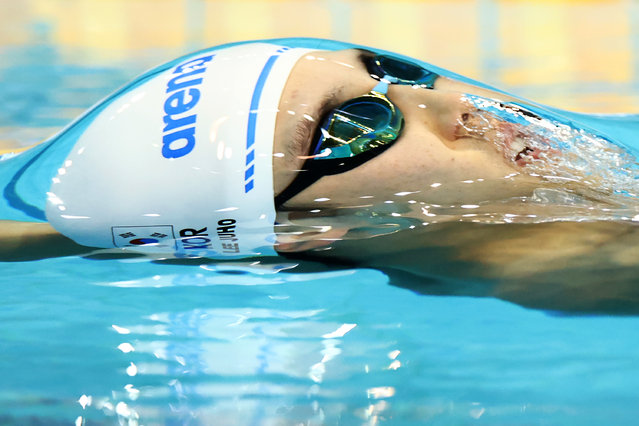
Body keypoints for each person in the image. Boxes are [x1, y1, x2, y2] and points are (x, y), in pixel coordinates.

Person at [2, 38, 639, 313]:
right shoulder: (598, 265)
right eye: (355, 126)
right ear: (306, 230)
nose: (451, 104)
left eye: (396, 73)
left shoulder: (405, 256)